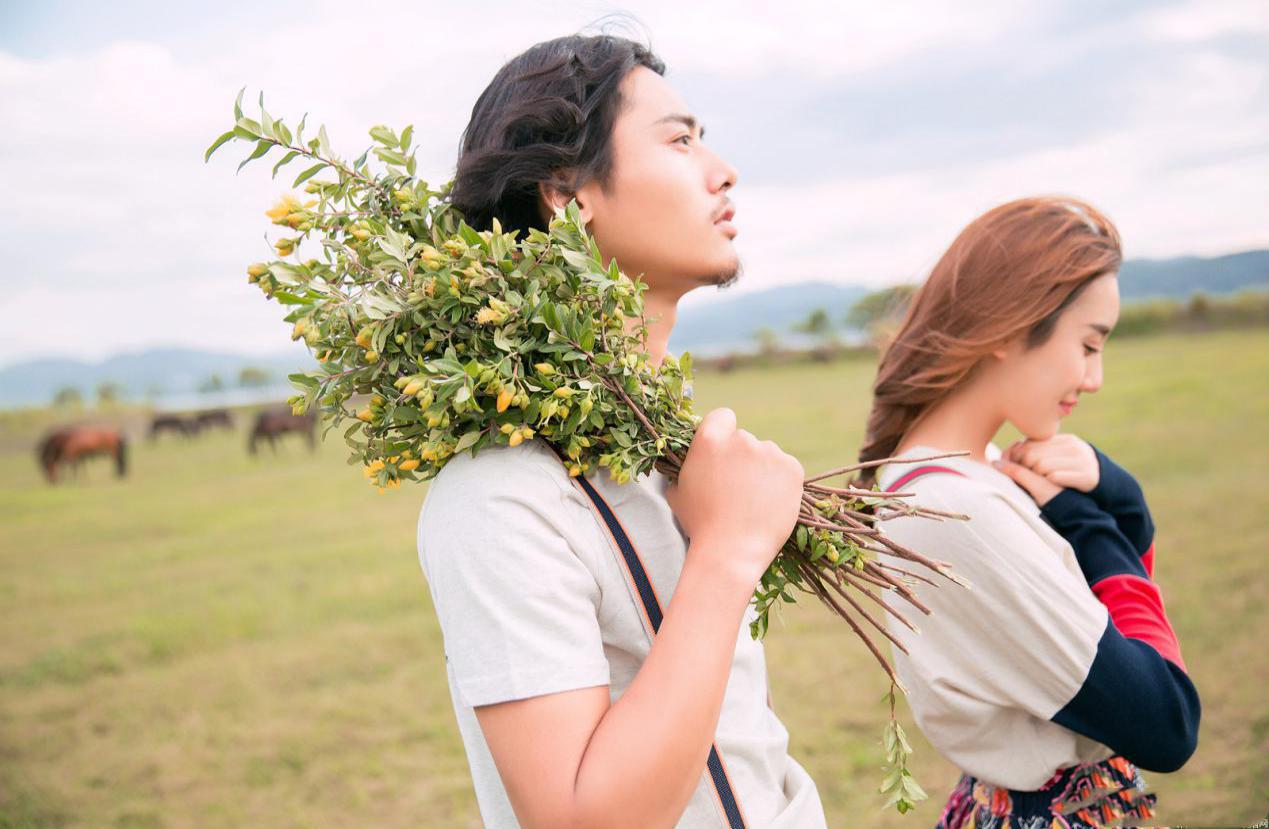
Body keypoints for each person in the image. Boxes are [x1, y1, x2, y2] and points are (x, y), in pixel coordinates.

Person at [417, 34, 828, 828]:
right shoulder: (500, 495)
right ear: (567, 194)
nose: (721, 170)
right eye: (679, 140)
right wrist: (728, 551)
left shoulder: (664, 443)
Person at [857, 197, 1200, 828]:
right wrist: (1089, 518)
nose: (1094, 377)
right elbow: (1166, 720)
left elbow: (1120, 611)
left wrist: (1116, 495)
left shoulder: (953, 475)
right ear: (1011, 328)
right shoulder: (957, 508)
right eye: (1089, 344)